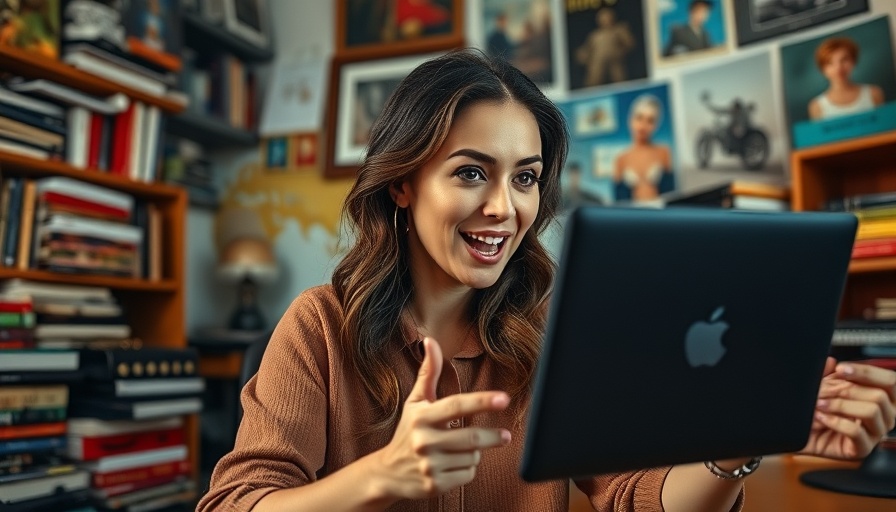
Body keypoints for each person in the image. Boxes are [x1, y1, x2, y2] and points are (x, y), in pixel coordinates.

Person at [197, 50, 896, 512]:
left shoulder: (558, 328)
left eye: (525, 177)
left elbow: (633, 493)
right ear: (404, 184)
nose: (506, 208)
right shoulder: (318, 327)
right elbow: (236, 503)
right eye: (472, 172)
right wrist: (377, 475)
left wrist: (739, 444)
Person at [613, 94, 675, 202]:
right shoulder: (621, 159)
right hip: (634, 215)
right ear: (630, 120)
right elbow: (618, 201)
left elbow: (672, 191)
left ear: (656, 125)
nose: (643, 125)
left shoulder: (663, 152)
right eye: (639, 118)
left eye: (650, 121)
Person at [808, 36, 884, 120]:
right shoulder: (816, 106)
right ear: (822, 69)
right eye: (830, 62)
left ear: (853, 61)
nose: (838, 68)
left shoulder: (874, 94)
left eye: (844, 60)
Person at [575, 8, 635, 87]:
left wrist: (622, 51)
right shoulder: (595, 35)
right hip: (598, 60)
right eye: (602, 18)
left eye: (607, 18)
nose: (605, 20)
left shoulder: (618, 30)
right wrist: (582, 55)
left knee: (619, 77)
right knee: (594, 75)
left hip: (615, 59)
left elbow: (630, 43)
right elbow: (588, 49)